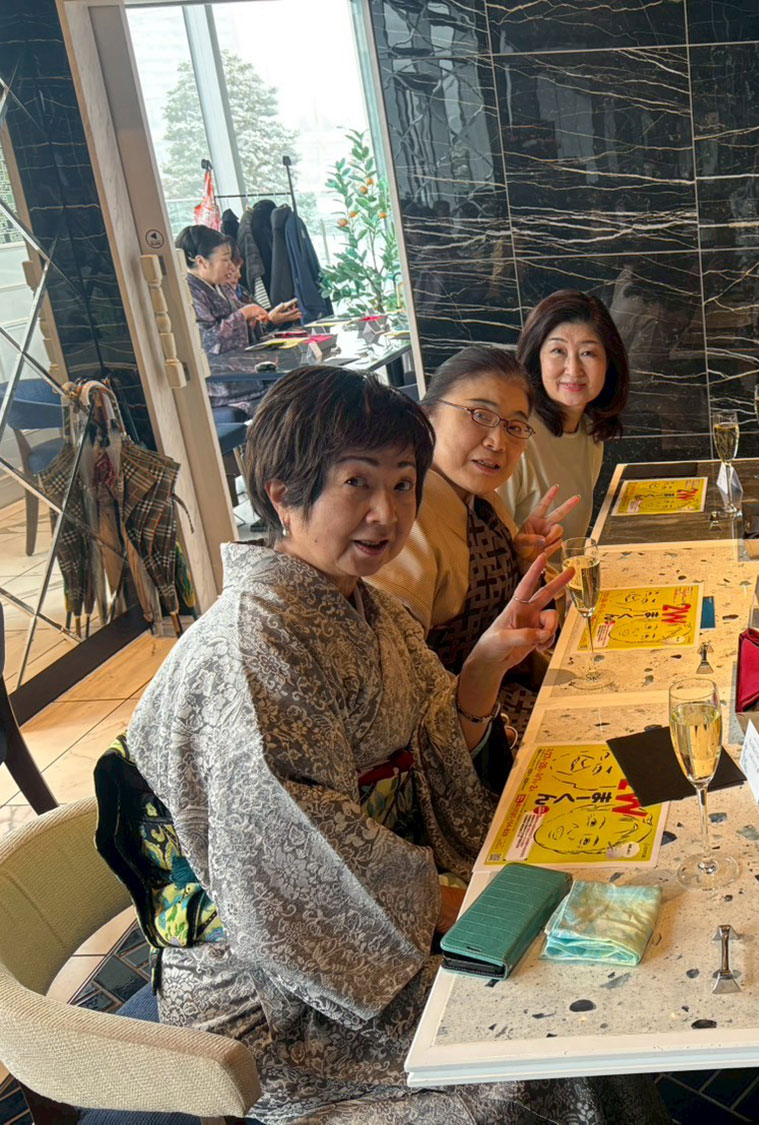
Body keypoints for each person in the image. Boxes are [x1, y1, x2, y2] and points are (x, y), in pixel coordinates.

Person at [123, 366, 666, 1124]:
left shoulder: (368, 607)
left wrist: (483, 665)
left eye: (404, 484)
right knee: (543, 1045)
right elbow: (297, 869)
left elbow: (436, 742)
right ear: (282, 493)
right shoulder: (251, 651)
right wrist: (482, 908)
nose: (387, 512)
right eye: (357, 482)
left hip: (376, 914)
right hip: (278, 990)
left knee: (586, 969)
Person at [370, 344, 578, 787]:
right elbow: (396, 685)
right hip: (460, 756)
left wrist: (521, 562)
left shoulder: (484, 503)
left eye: (515, 426)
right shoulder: (407, 519)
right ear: (427, 415)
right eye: (479, 415)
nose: (497, 442)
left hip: (508, 710)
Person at [498, 290, 629, 541]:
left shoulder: (589, 430)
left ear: (609, 363)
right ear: (537, 358)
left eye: (588, 353)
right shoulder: (513, 436)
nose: (573, 369)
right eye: (558, 351)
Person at [176, 223, 298, 355]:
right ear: (201, 261)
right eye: (225, 260)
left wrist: (268, 319)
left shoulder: (222, 285)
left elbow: (249, 327)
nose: (231, 267)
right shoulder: (189, 292)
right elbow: (208, 343)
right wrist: (244, 314)